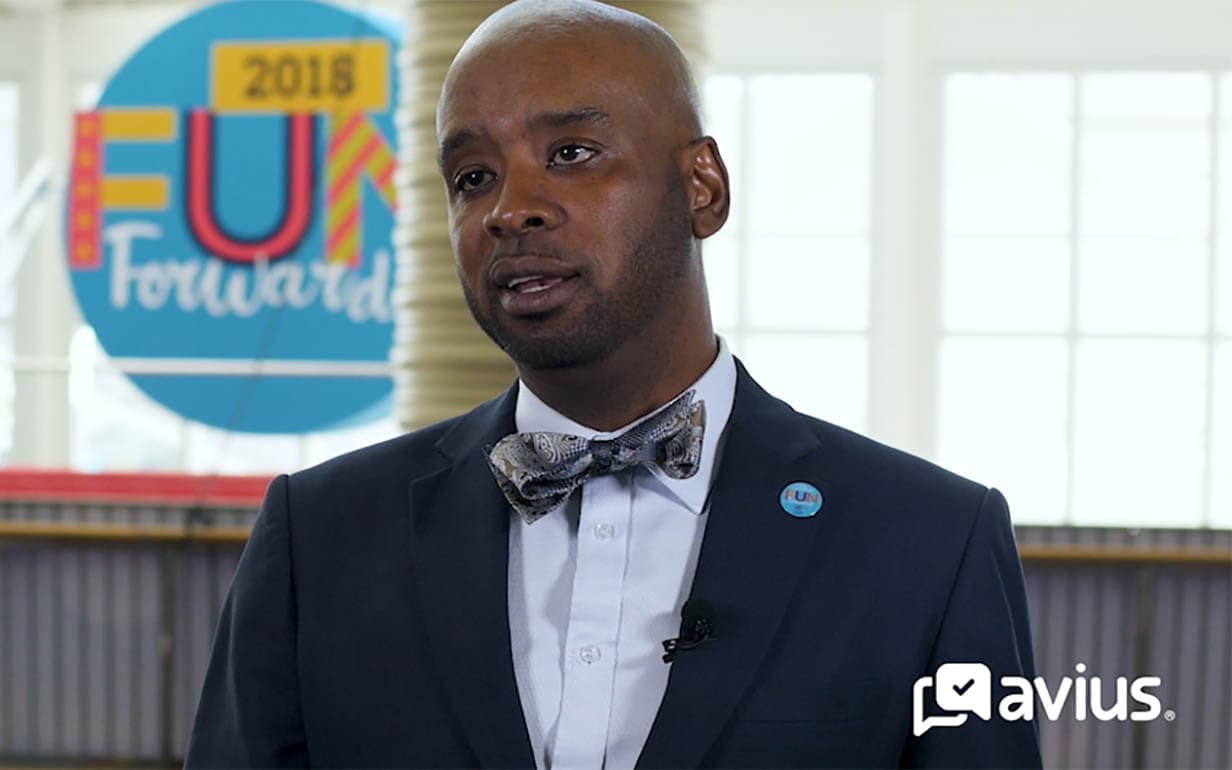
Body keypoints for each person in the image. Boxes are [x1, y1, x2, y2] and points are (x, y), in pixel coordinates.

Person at [185, 1, 1042, 767]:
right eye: (473, 176)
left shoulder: (930, 545)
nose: (508, 209)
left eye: (572, 153)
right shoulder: (320, 539)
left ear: (702, 187)